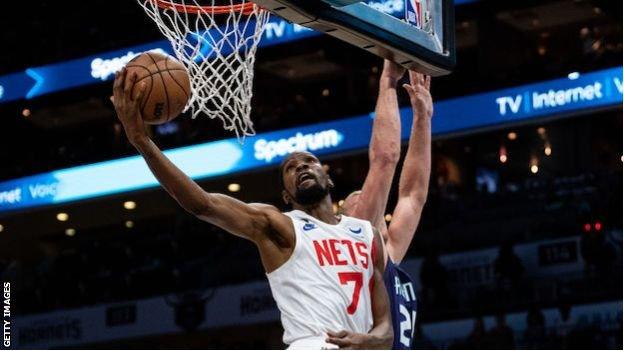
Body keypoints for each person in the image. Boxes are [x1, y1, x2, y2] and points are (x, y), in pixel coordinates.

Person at [111, 68, 392, 349]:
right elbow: (203, 204)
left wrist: (368, 340)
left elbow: (386, 332)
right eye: (290, 168)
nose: (301, 166)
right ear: (286, 195)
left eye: (308, 161)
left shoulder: (366, 234)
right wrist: (142, 141)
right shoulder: (278, 225)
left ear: (328, 176)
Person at [340, 60, 433, 349]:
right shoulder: (355, 241)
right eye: (357, 200)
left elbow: (413, 195)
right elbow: (384, 157)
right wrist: (388, 80)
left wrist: (423, 117)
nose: (364, 198)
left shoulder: (388, 254)